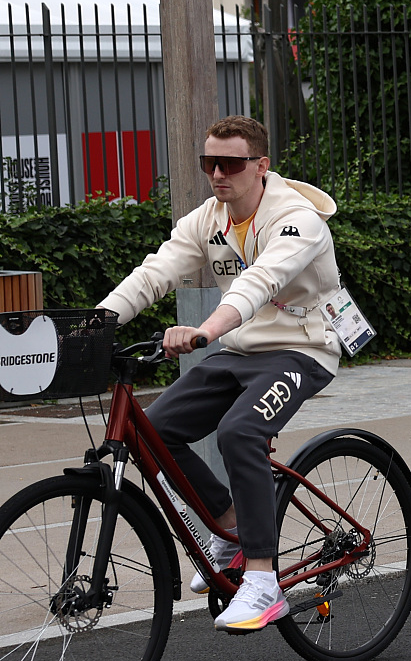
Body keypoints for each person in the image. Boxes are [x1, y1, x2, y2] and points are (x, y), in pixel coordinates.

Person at [96, 116, 344, 634]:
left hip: (302, 350)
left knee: (238, 431)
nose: (217, 173)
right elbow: (155, 273)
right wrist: (95, 327)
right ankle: (230, 528)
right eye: (208, 163)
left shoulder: (298, 220)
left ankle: (262, 580)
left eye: (229, 163)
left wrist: (205, 331)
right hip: (239, 350)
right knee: (154, 433)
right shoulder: (208, 220)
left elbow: (259, 281)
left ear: (261, 166)